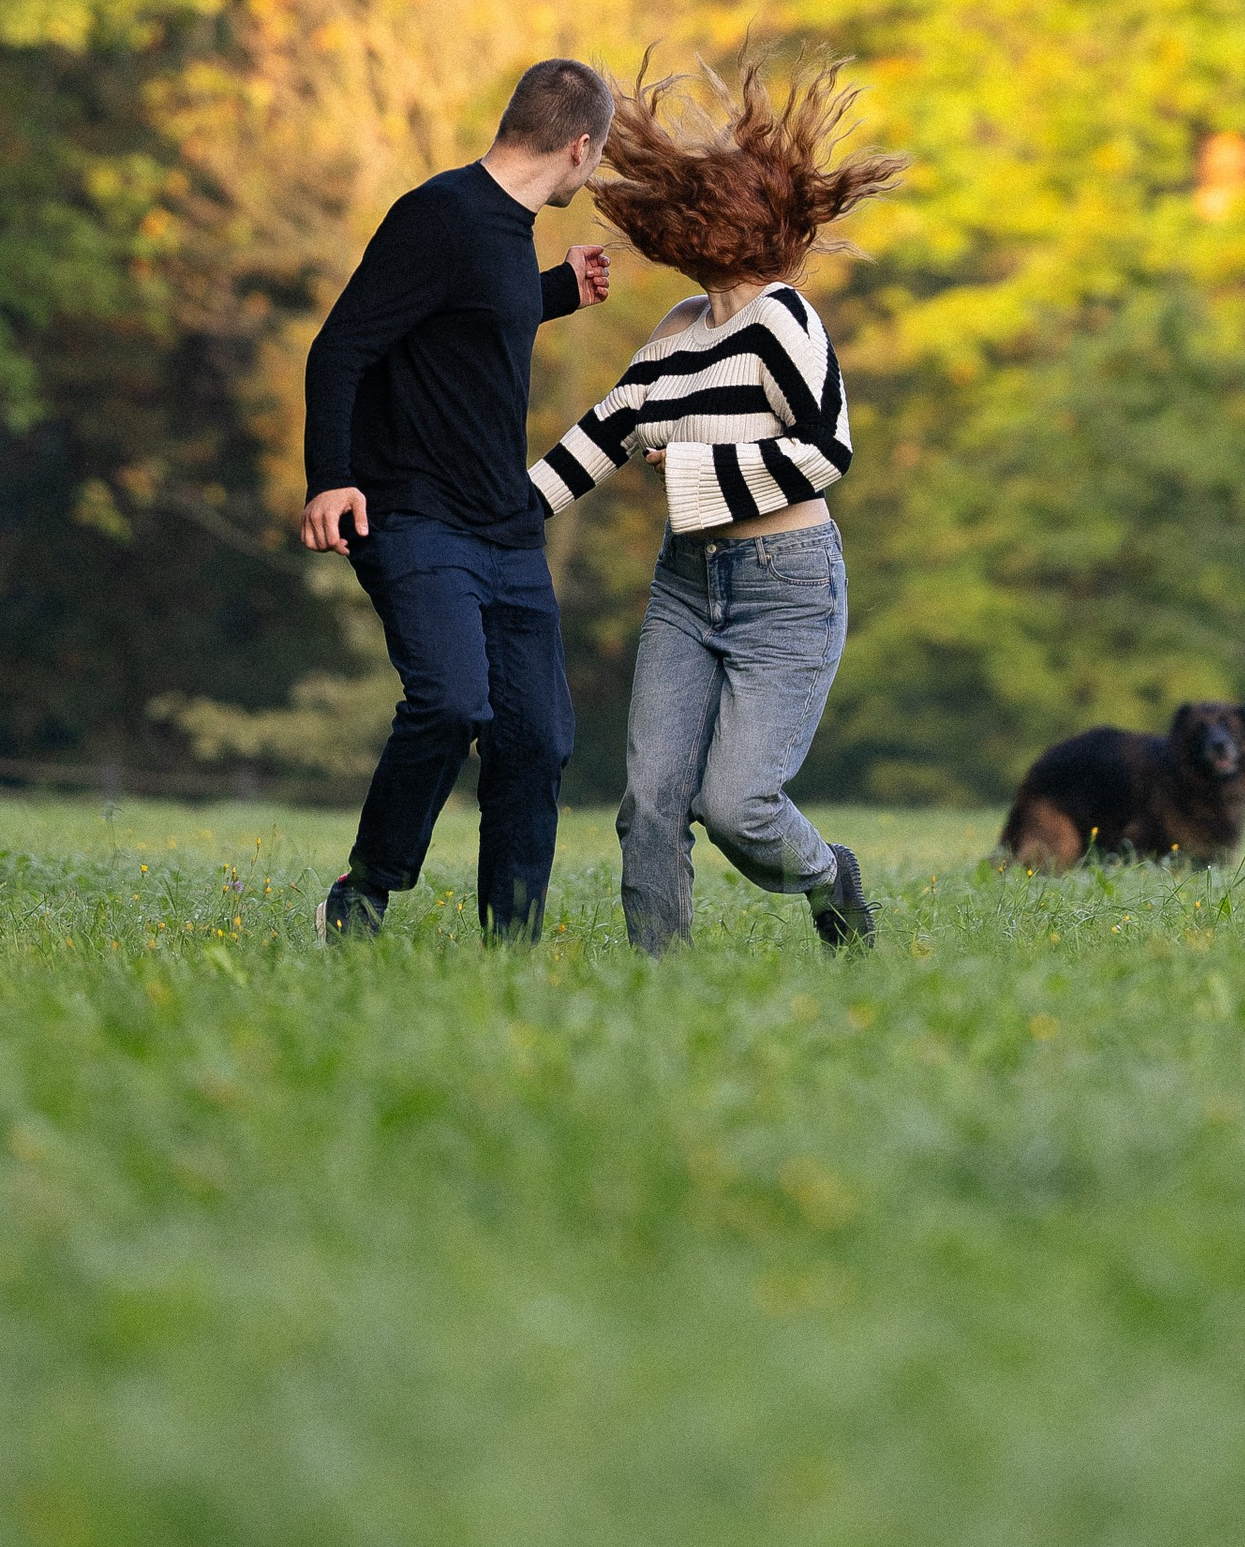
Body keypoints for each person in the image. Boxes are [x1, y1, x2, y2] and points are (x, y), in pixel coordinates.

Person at [529, 55, 905, 956]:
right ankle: (660, 984)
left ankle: (829, 878)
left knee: (737, 808)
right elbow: (605, 432)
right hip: (687, 585)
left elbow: (827, 448)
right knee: (649, 801)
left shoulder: (784, 321)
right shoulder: (673, 334)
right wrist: (498, 511)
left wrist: (696, 471)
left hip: (787, 586)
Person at [303, 58, 615, 942]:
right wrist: (329, 477)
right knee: (450, 703)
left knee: (537, 740)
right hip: (413, 514)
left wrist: (558, 292)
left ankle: (510, 946)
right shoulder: (438, 214)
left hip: (504, 525)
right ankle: (362, 892)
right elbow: (340, 348)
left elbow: (469, 320)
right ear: (579, 147)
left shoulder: (508, 234)